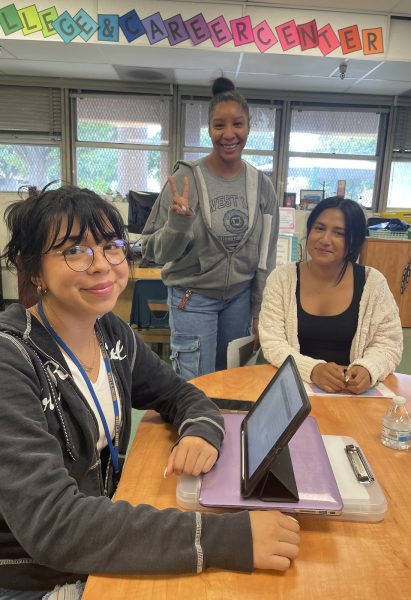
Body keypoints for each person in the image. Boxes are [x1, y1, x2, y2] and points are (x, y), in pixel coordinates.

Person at [0, 185, 299, 598]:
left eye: (111, 246)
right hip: (40, 575)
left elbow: (182, 394)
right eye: (75, 251)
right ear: (34, 271)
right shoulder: (11, 360)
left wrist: (200, 430)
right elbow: (54, 525)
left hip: (101, 534)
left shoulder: (109, 332)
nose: (103, 266)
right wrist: (218, 538)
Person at [141, 77, 279, 379]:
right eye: (219, 126)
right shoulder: (184, 180)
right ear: (209, 129)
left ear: (249, 127)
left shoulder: (261, 185)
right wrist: (179, 224)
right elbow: (153, 251)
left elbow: (266, 258)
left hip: (239, 300)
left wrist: (259, 312)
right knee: (196, 385)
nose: (229, 134)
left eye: (237, 124)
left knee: (230, 382)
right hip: (194, 297)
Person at [259, 196, 403, 394]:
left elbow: (389, 344)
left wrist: (369, 368)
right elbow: (272, 342)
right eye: (319, 228)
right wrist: (312, 370)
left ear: (353, 241)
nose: (325, 240)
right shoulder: (281, 279)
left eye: (339, 233)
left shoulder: (373, 283)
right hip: (294, 388)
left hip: (352, 393)